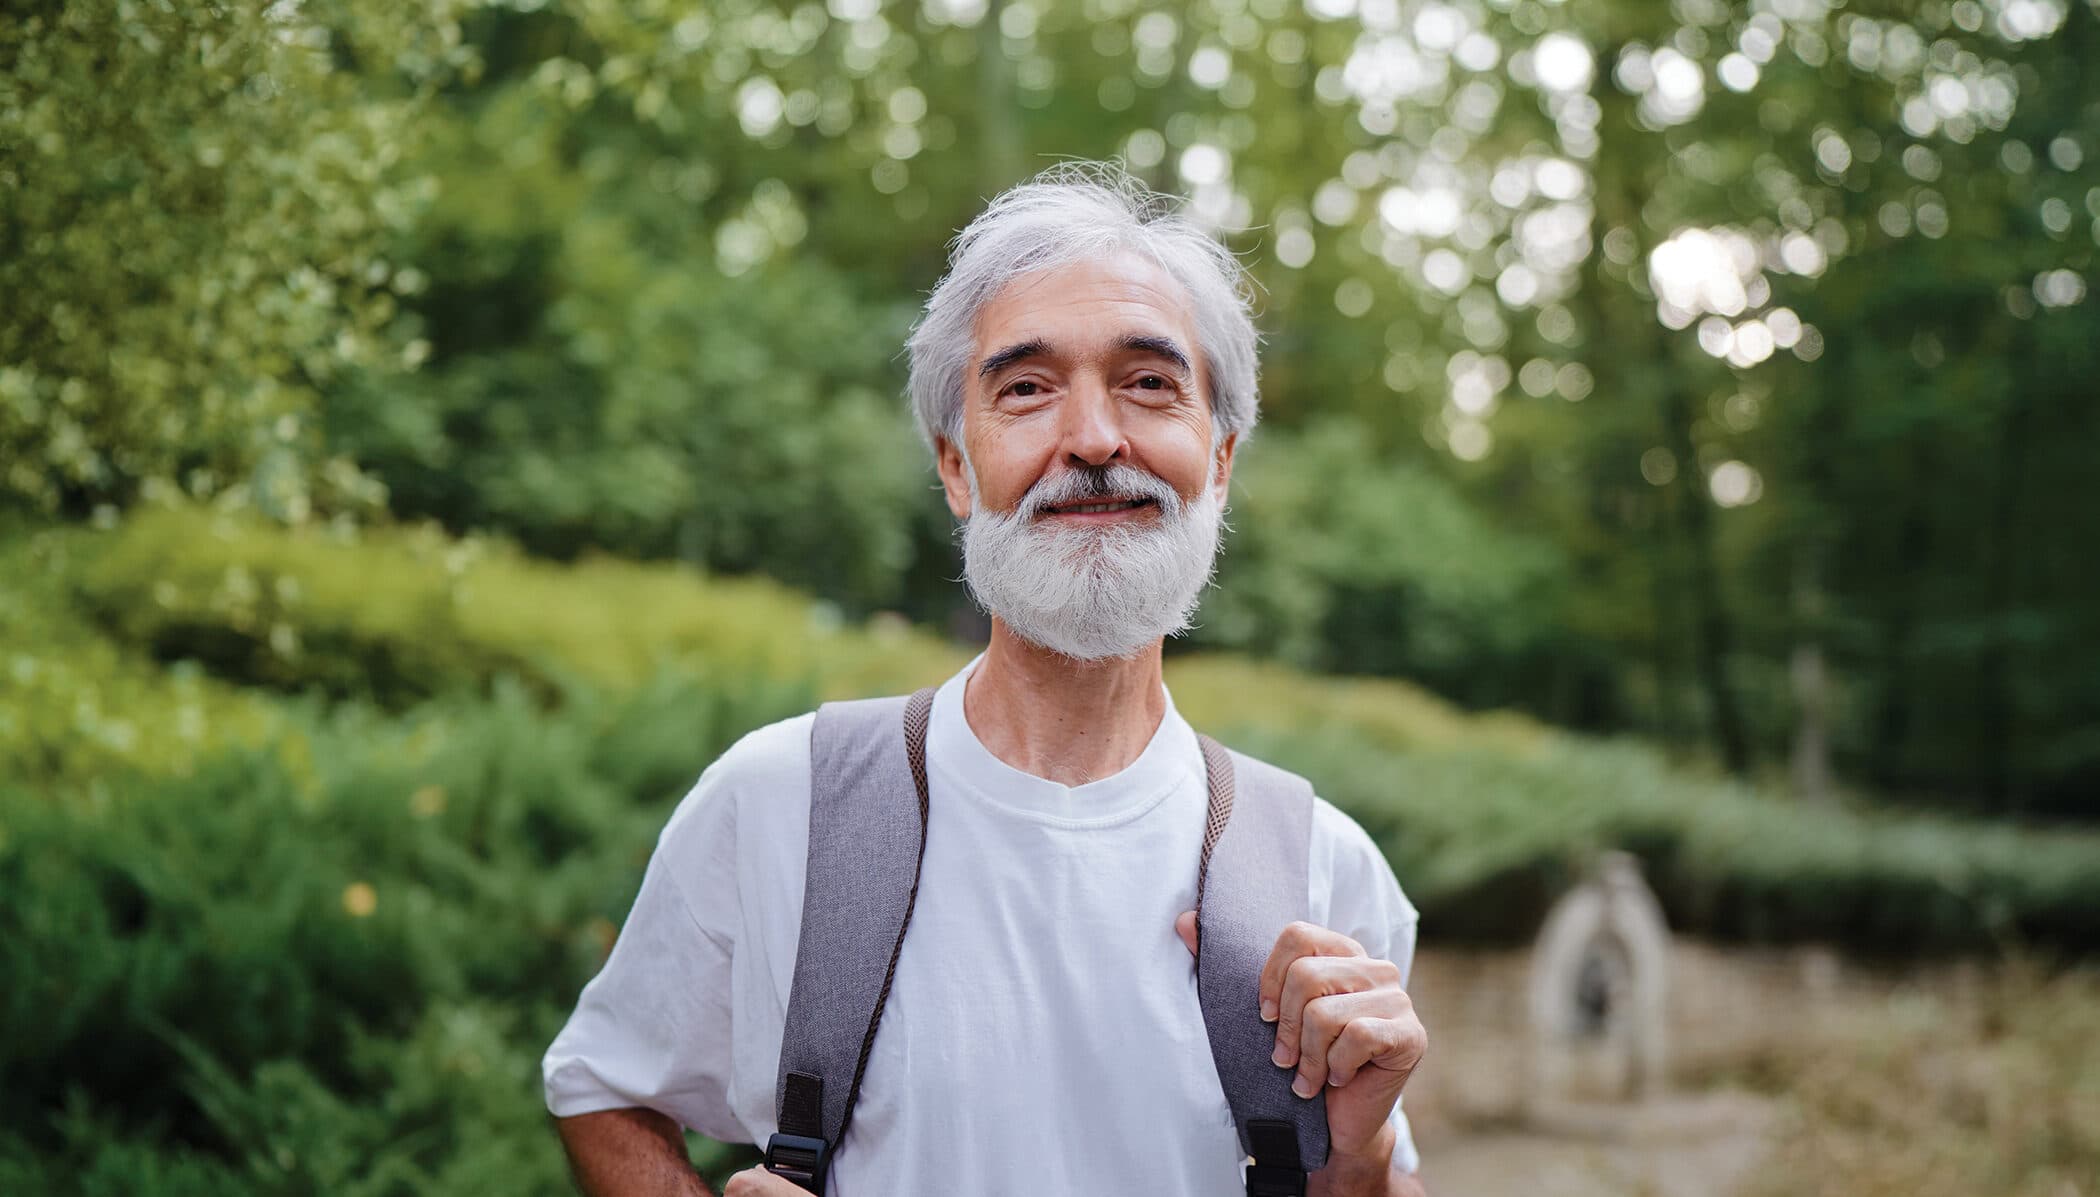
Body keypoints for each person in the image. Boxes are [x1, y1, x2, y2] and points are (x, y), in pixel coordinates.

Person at [542, 162, 1430, 1196]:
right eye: (1026, 389)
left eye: (1149, 383)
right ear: (957, 467)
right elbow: (603, 1087)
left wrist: (1360, 1156)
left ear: (1220, 458)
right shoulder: (781, 802)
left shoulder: (1324, 868)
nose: (1095, 439)